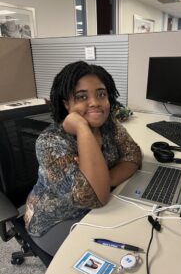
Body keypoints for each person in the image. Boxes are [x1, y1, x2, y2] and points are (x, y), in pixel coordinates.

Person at [24, 61, 142, 256]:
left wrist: (107, 179)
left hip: (99, 210)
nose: (95, 102)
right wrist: (82, 129)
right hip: (55, 221)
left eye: (101, 94)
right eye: (82, 97)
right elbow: (95, 198)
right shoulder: (50, 142)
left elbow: (133, 154)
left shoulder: (108, 123)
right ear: (66, 104)